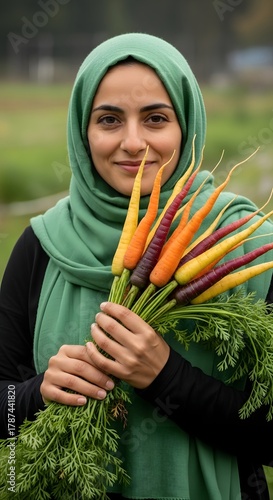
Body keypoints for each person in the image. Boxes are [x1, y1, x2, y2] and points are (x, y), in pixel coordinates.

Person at [0, 32, 273, 500]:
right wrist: (37, 393)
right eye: (109, 119)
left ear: (186, 126)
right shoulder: (40, 245)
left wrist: (166, 377)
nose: (133, 143)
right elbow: (2, 407)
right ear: (82, 131)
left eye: (155, 119)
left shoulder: (248, 245)